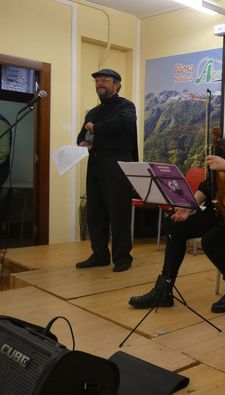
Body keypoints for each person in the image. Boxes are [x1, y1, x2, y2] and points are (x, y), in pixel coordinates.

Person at [129, 101, 225, 313]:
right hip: (221, 211)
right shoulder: (222, 148)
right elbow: (209, 186)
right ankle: (164, 289)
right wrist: (189, 206)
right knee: (176, 227)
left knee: (211, 241)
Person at [75, 68, 138, 272]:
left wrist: (96, 129)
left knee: (119, 212)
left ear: (117, 85)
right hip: (95, 164)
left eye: (105, 79)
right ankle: (100, 254)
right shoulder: (93, 112)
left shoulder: (126, 106)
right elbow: (81, 137)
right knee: (95, 211)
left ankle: (122, 258)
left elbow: (123, 123)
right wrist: (84, 143)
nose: (99, 83)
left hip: (117, 164)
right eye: (97, 80)